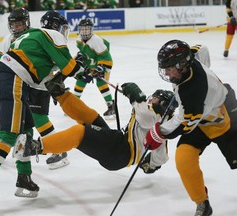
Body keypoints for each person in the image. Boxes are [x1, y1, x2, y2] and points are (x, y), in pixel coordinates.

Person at [0, 10, 90, 205]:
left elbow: (41, 72)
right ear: (57, 27)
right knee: (9, 133)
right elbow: (69, 68)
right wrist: (84, 68)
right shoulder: (51, 34)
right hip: (15, 80)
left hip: (17, 81)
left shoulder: (31, 35)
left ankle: (24, 178)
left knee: (25, 132)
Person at [144, 39, 237, 216]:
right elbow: (203, 48)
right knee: (184, 160)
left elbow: (183, 121)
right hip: (202, 119)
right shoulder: (190, 63)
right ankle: (202, 203)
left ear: (181, 65)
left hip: (226, 119)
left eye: (169, 67)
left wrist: (158, 133)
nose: (166, 72)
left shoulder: (195, 91)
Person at [13, 82, 178, 174]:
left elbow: (143, 115)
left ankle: (34, 147)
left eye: (156, 99)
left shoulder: (157, 118)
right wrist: (151, 164)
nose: (152, 100)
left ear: (165, 106)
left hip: (120, 152)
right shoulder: (163, 123)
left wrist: (137, 95)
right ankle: (60, 94)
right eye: (153, 97)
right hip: (119, 144)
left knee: (80, 132)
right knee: (91, 117)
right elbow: (162, 157)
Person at [0, 8, 69, 170]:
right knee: (8, 115)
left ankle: (59, 150)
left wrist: (58, 80)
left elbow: (54, 62)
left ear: (27, 22)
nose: (16, 27)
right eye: (13, 24)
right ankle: (1, 146)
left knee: (38, 117)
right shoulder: (7, 40)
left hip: (39, 83)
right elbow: (2, 62)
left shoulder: (37, 35)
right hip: (18, 83)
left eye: (20, 23)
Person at [74, 18, 116, 120]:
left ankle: (111, 106)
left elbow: (107, 57)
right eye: (82, 29)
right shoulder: (79, 40)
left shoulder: (96, 41)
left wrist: (101, 68)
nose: (84, 31)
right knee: (80, 81)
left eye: (87, 29)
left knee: (101, 83)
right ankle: (73, 104)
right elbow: (85, 53)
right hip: (90, 65)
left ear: (91, 30)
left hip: (102, 65)